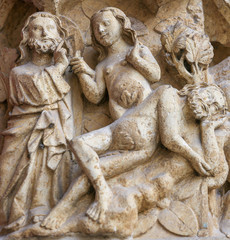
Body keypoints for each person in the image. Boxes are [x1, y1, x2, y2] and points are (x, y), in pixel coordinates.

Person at [41, 82, 230, 230]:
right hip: (114, 132)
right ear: (197, 88)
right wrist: (194, 157)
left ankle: (65, 208)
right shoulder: (169, 93)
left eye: (215, 106)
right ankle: (101, 190)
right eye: (209, 95)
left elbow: (213, 167)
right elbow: (169, 137)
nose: (208, 102)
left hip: (139, 152)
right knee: (78, 143)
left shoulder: (192, 131)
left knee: (94, 173)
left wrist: (208, 129)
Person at [0, 12, 74, 231]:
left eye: (49, 28)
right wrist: (59, 67)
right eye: (37, 28)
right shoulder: (18, 72)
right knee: (7, 172)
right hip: (21, 129)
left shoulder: (66, 73)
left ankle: (39, 209)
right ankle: (8, 215)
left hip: (51, 130)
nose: (43, 33)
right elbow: (42, 93)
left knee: (44, 168)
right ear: (27, 35)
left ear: (58, 36)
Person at [70, 7, 161, 120]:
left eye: (106, 24)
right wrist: (81, 72)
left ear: (121, 24)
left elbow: (155, 75)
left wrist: (136, 60)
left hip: (146, 104)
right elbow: (96, 96)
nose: (101, 30)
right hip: (121, 114)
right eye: (96, 28)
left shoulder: (139, 50)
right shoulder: (102, 66)